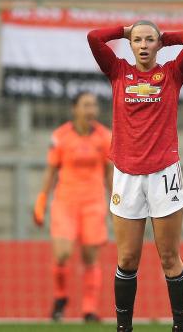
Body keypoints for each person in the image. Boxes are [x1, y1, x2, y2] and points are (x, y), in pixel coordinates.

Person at [87, 20, 183, 332]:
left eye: (149, 40)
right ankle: (124, 328)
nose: (143, 45)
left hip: (164, 173)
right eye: (137, 40)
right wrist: (124, 29)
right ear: (130, 43)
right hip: (126, 173)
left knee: (168, 257)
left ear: (157, 44)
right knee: (126, 259)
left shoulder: (172, 75)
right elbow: (94, 37)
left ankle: (180, 327)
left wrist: (166, 38)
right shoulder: (118, 72)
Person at [33, 91, 112, 323]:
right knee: (62, 253)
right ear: (74, 109)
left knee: (90, 256)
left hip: (93, 202)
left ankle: (89, 309)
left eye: (94, 105)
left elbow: (109, 173)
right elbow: (51, 171)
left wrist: (117, 200)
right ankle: (60, 297)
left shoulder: (105, 136)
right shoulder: (60, 136)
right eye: (86, 105)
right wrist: (42, 199)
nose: (91, 110)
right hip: (65, 201)